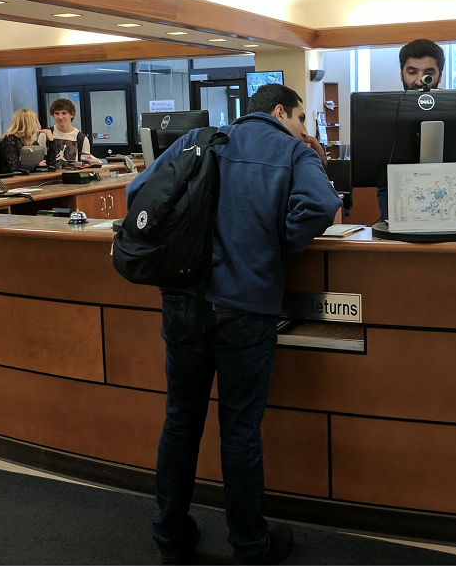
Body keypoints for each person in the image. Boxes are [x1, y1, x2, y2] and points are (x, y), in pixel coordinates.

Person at [125, 84, 341, 566]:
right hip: (247, 306)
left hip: (184, 301)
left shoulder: (198, 140)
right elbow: (322, 206)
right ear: (281, 112)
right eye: (302, 118)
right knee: (240, 430)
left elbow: (137, 192)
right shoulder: (291, 152)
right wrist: (279, 239)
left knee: (180, 422)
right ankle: (249, 545)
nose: (305, 129)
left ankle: (171, 538)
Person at [376, 38, 456, 224]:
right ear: (401, 74)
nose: (420, 81)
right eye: (412, 72)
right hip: (408, 225)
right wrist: (388, 218)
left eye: (429, 73)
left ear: (440, 75)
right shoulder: (391, 121)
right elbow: (385, 183)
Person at [39, 98, 100, 166]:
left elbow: (86, 157)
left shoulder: (81, 138)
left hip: (73, 175)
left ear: (72, 115)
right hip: (50, 175)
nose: (60, 117)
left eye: (64, 113)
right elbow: (39, 159)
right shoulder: (45, 135)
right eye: (57, 113)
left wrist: (96, 161)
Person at [0, 108, 58, 174]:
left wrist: (51, 141)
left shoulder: (31, 141)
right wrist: (37, 166)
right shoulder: (10, 139)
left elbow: (49, 164)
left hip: (28, 179)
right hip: (12, 180)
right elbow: (14, 168)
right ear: (30, 123)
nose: (37, 123)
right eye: (35, 120)